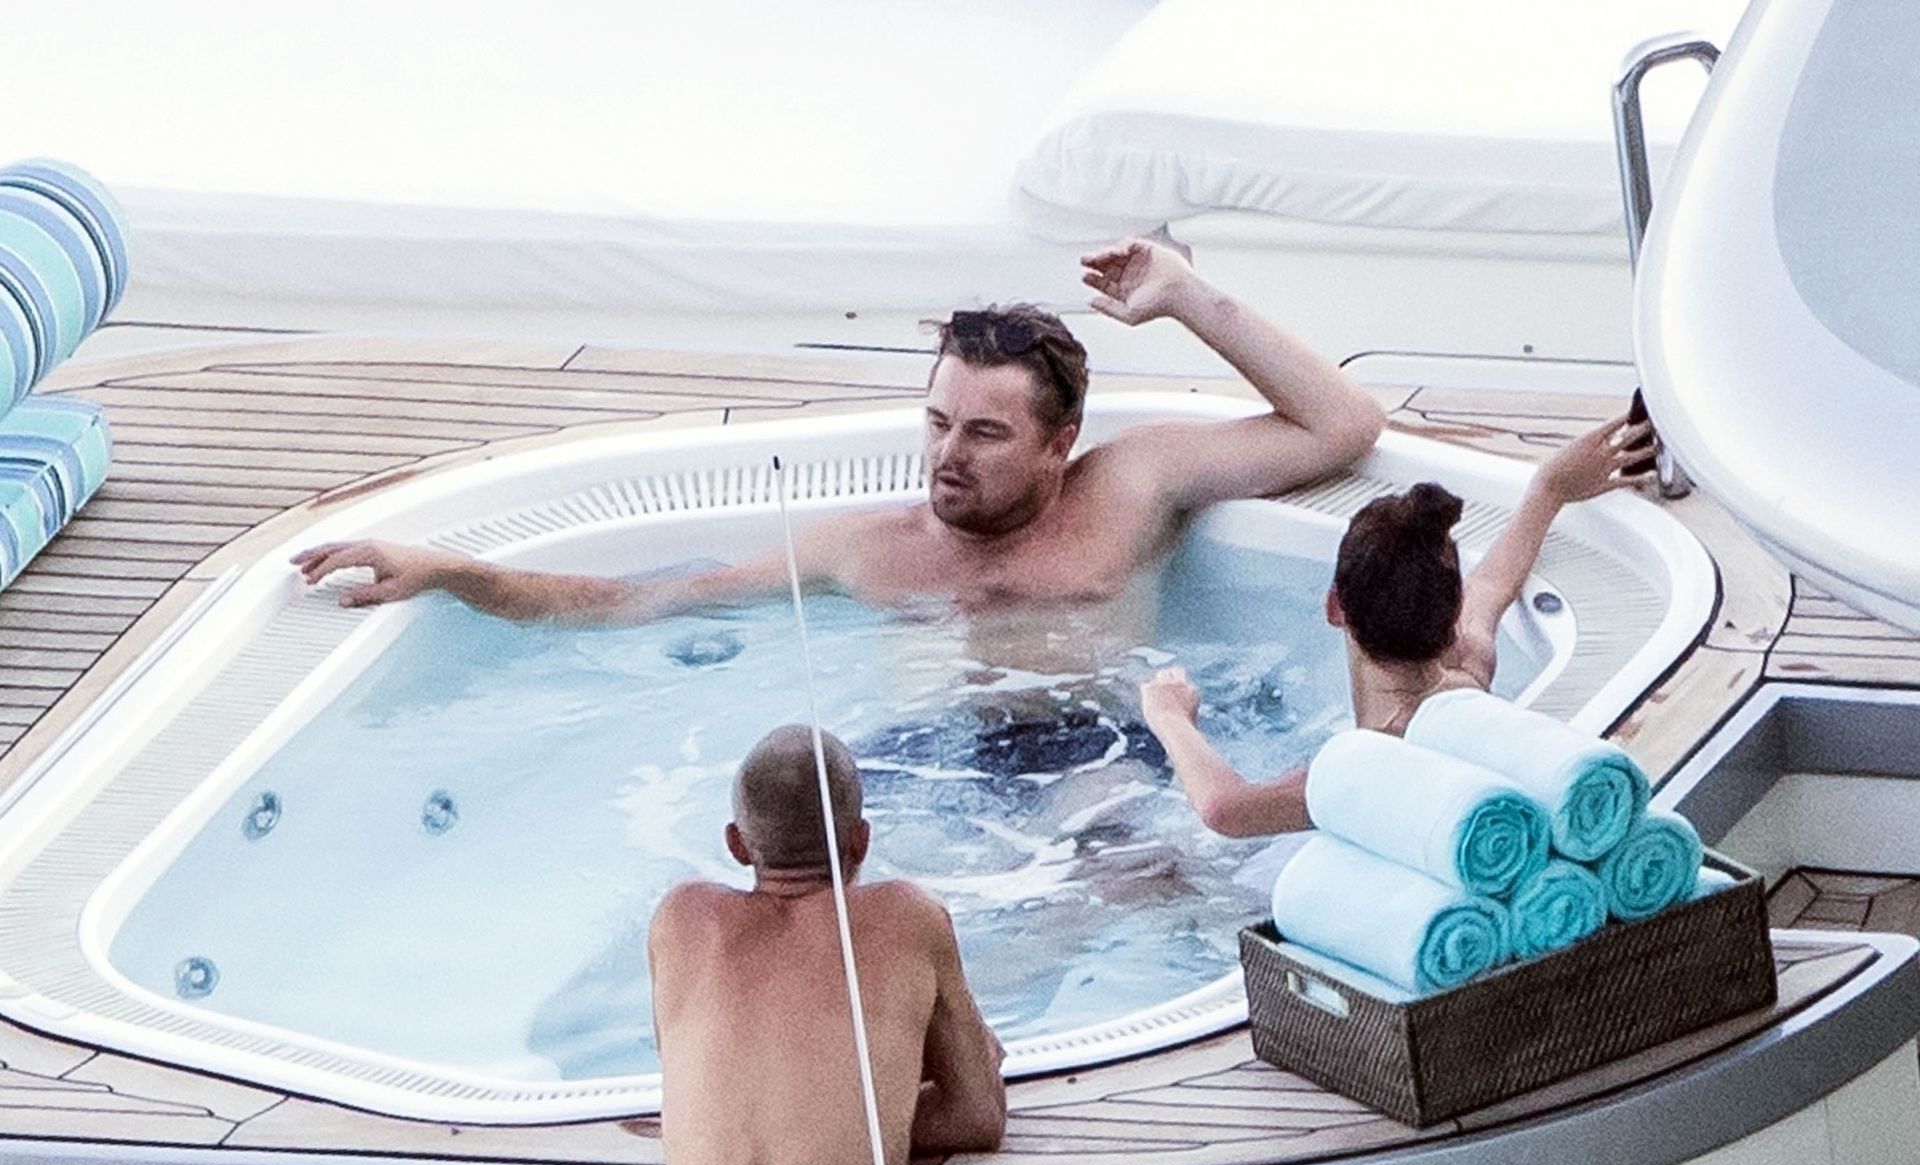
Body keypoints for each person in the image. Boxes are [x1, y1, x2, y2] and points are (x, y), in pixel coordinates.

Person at [290, 239, 1385, 631]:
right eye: (938, 422)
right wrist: (450, 571)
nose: (948, 455)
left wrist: (1187, 296)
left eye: (987, 433)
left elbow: (1342, 424)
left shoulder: (1131, 484)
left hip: (1099, 766)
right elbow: (634, 603)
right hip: (930, 776)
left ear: (1059, 443)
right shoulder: (863, 548)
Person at [1139, 416, 1656, 838]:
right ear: (1452, 623)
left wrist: (1170, 716)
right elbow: (1492, 585)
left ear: (1334, 607)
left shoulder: (1370, 764)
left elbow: (1227, 809)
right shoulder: (1470, 669)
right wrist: (1549, 488)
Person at [648, 725, 1006, 1165]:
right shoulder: (906, 919)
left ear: (737, 844)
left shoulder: (681, 922)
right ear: (861, 841)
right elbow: (977, 1116)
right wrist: (859, 1125)